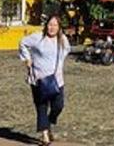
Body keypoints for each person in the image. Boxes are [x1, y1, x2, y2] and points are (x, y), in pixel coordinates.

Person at [19, 15, 69, 145]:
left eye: (55, 25)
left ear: (59, 28)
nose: (52, 28)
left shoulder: (62, 39)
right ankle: (45, 135)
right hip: (38, 79)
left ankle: (49, 122)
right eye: (50, 24)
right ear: (46, 25)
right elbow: (22, 43)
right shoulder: (37, 37)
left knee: (58, 106)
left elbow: (66, 51)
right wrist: (28, 59)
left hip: (57, 79)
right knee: (41, 107)